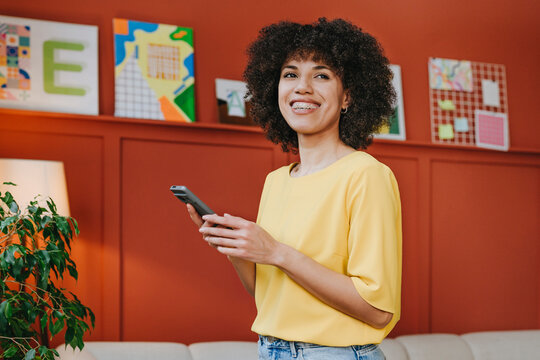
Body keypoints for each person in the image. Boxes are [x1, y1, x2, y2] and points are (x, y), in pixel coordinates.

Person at [187, 18, 402, 360]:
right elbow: (268, 294)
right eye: (290, 74)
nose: (302, 87)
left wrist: (276, 251)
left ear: (347, 97)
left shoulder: (366, 174)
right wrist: (236, 248)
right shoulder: (276, 181)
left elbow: (377, 310)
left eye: (321, 75)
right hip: (271, 350)